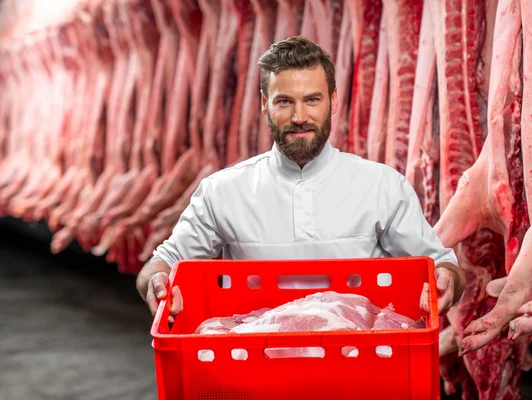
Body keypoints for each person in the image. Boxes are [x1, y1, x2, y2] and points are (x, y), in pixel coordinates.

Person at [136, 36, 466, 323]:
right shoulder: (221, 192)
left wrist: (446, 280)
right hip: (254, 367)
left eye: (312, 99)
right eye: (284, 102)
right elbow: (161, 265)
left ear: (333, 101)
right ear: (264, 104)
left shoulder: (383, 186)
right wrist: (157, 280)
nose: (299, 117)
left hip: (356, 368)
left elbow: (442, 267)